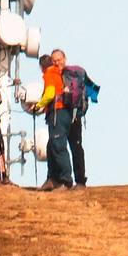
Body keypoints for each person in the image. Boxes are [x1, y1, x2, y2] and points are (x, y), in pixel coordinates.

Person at [30, 54, 74, 190]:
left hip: (58, 113)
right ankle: (53, 178)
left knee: (58, 146)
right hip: (64, 113)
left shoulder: (50, 74)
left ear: (41, 67)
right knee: (52, 146)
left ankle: (66, 180)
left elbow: (50, 93)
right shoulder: (59, 73)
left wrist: (38, 105)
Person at [55, 49, 97, 188]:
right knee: (75, 147)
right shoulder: (77, 73)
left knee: (64, 147)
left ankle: (69, 179)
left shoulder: (66, 75)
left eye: (58, 59)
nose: (57, 63)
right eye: (54, 60)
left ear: (64, 59)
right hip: (75, 115)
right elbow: (92, 88)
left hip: (67, 114)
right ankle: (79, 180)